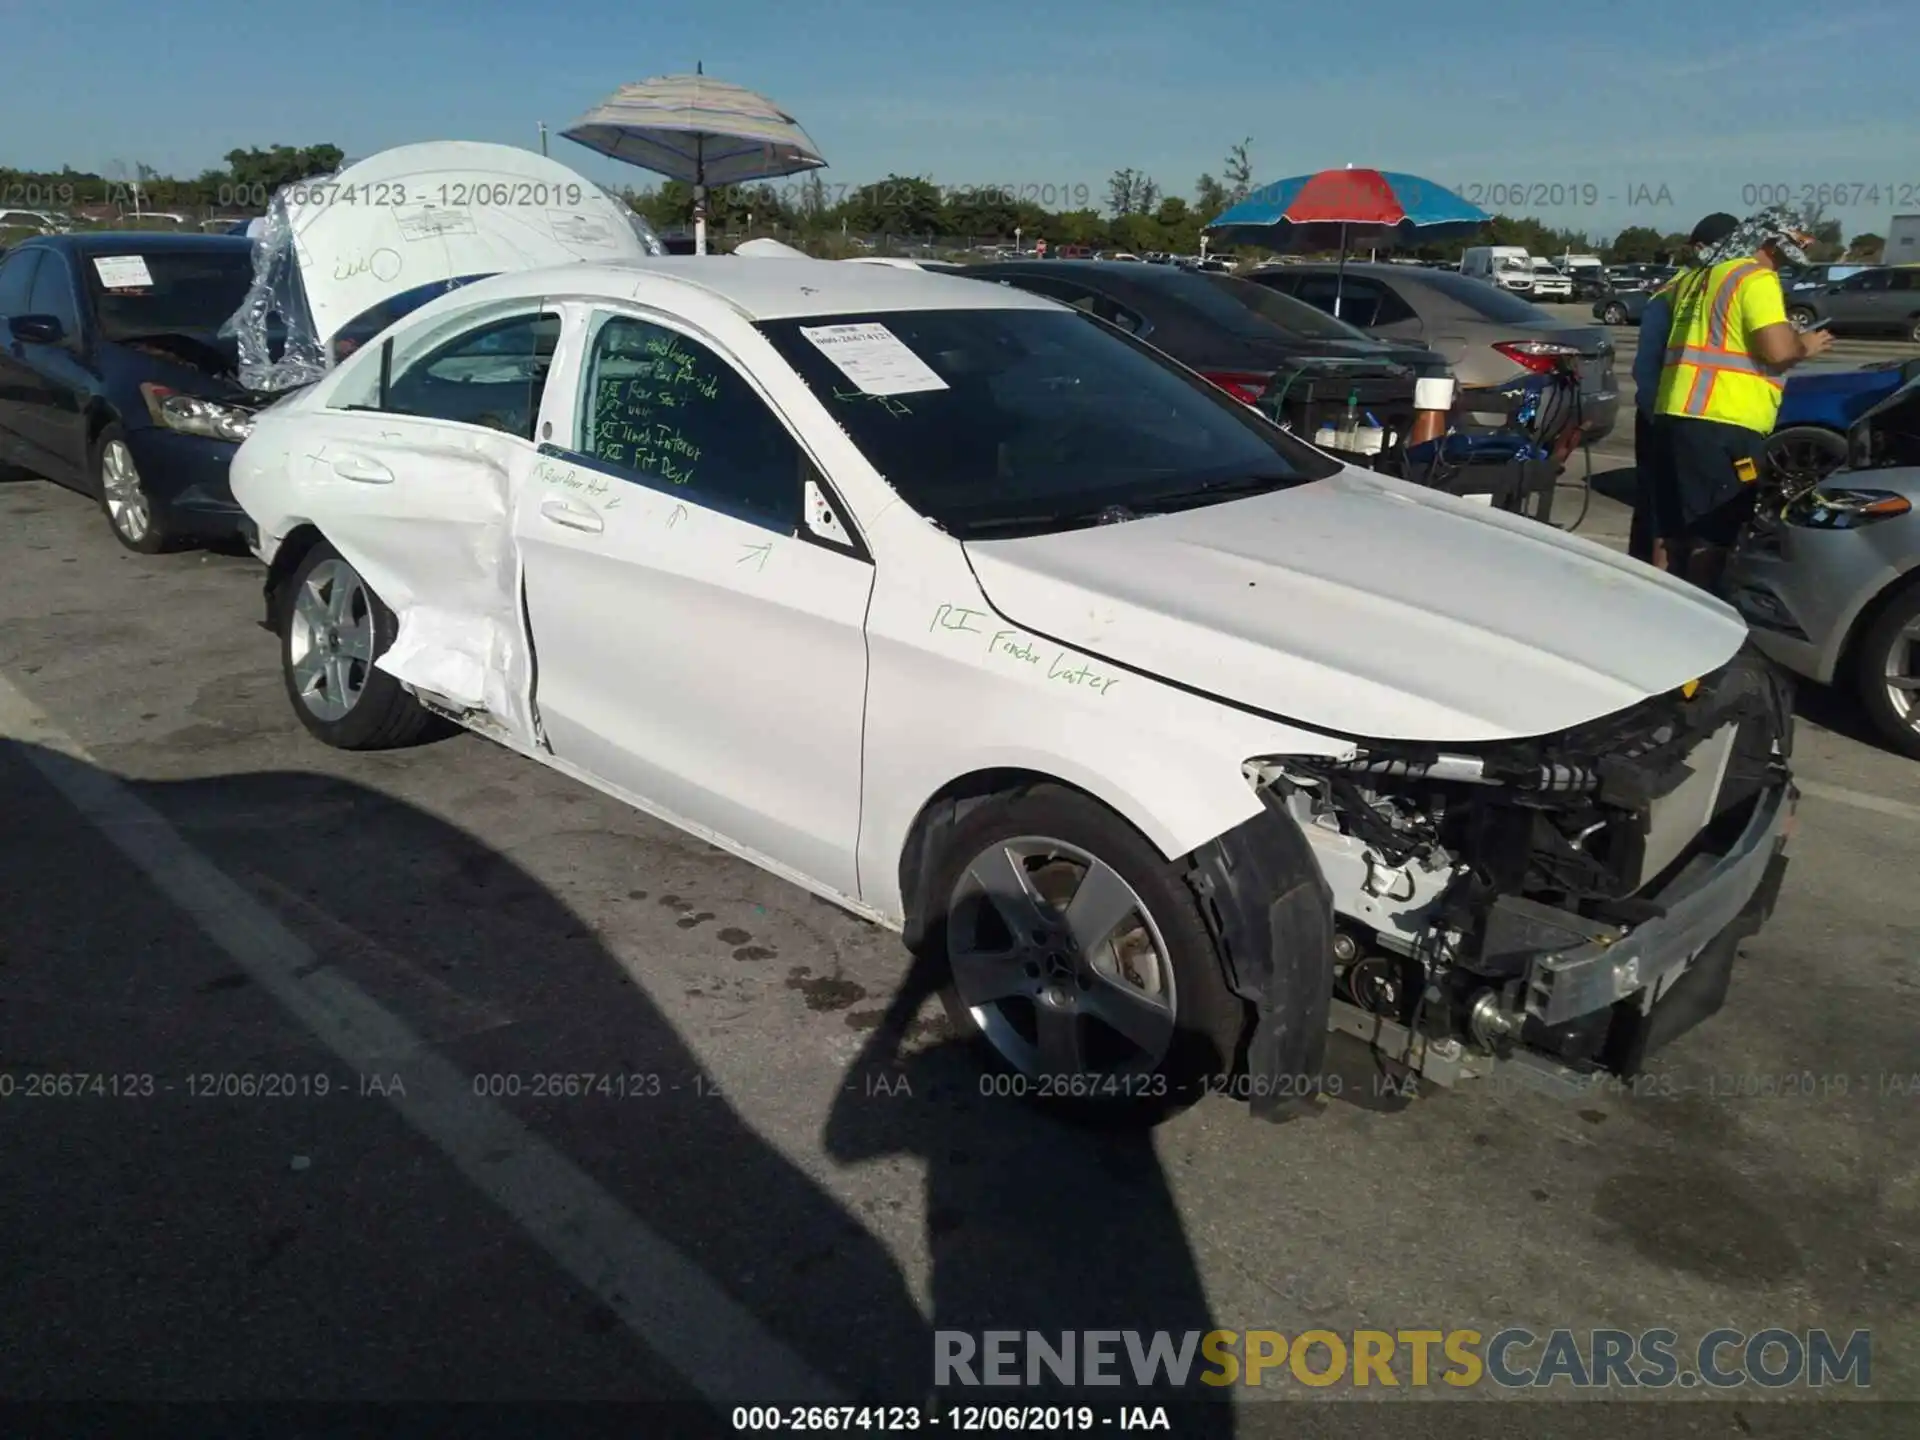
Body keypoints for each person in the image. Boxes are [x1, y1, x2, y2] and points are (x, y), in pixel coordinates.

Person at [1650, 205, 1835, 592]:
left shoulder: (1695, 279)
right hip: (1726, 420)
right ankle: (1701, 619)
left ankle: (1657, 605)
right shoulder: (1755, 279)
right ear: (1767, 242)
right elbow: (1778, 351)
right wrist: (1806, 345)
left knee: (1670, 526)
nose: (1782, 262)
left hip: (1673, 411)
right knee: (1714, 529)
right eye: (1782, 252)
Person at [1629, 212, 1739, 569]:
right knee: (1666, 516)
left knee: (1681, 516)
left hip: (1700, 419)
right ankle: (1656, 590)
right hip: (1672, 418)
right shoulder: (1677, 292)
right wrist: (1656, 416)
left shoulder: (1719, 288)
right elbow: (1647, 366)